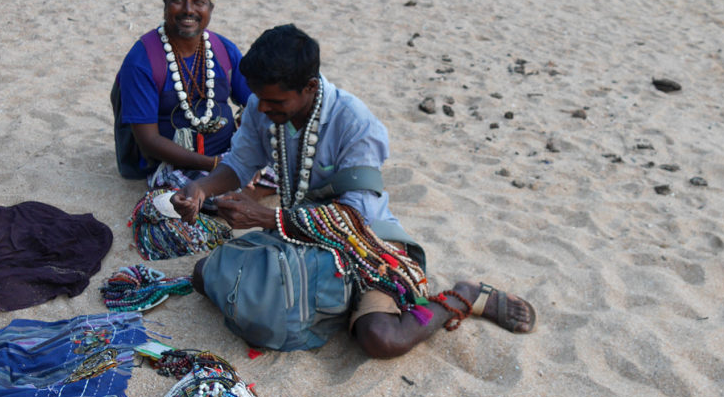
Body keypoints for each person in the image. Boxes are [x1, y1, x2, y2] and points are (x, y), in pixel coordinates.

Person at [172, 24, 536, 358]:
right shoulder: (261, 105)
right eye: (260, 100)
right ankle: (332, 304)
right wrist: (200, 189)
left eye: (276, 103)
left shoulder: (357, 123)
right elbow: (239, 163)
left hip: (366, 244)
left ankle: (465, 295)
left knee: (381, 339)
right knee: (206, 275)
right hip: (296, 234)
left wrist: (267, 218)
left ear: (310, 87)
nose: (263, 109)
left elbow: (355, 218)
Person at [115, 0, 251, 184]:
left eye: (199, 2)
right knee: (196, 198)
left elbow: (256, 101)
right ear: (165, 5)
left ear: (210, 9)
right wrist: (214, 164)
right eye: (178, 1)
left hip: (229, 155)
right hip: (171, 164)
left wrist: (248, 148)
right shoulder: (141, 62)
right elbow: (148, 140)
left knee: (286, 169)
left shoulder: (223, 49)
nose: (189, 10)